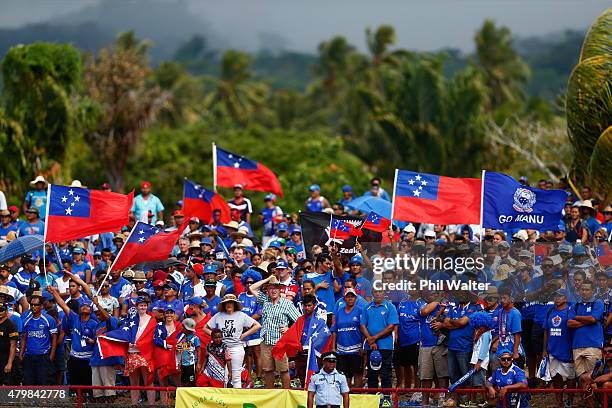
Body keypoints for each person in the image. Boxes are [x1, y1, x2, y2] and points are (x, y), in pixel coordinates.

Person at [249, 275, 301, 388]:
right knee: (268, 370)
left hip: (280, 342)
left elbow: (300, 321)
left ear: (280, 289)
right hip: (266, 341)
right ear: (267, 290)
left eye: (276, 288)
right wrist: (268, 279)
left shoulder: (286, 304)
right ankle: (270, 393)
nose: (273, 290)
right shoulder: (265, 301)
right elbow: (252, 288)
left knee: (283, 370)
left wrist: (289, 330)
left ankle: (286, 393)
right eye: (270, 288)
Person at [205, 294, 261, 388]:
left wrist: (244, 335)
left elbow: (257, 325)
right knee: (223, 375)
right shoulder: (218, 316)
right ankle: (225, 399)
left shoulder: (241, 315)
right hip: (222, 348)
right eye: (226, 303)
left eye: (231, 302)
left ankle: (236, 398)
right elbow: (205, 328)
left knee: (236, 375)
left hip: (236, 347)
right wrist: (216, 337)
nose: (228, 305)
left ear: (235, 304)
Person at [568, 280, 605, 404]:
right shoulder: (575, 305)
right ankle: (589, 405)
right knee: (582, 380)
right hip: (577, 346)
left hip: (593, 345)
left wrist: (577, 317)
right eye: (582, 289)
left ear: (593, 291)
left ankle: (597, 405)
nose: (584, 292)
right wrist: (587, 320)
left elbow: (593, 319)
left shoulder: (598, 302)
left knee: (592, 379)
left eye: (587, 289)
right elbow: (569, 323)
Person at [360, 287, 398, 391]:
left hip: (386, 346)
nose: (377, 294)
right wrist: (370, 340)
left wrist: (374, 338)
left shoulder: (390, 307)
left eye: (380, 291)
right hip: (370, 346)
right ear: (372, 293)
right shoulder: (366, 308)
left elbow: (391, 327)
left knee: (386, 373)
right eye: (375, 292)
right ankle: (372, 400)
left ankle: (386, 398)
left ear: (384, 293)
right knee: (372, 374)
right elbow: (362, 325)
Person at [543, 289, 575, 408]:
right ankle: (559, 403)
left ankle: (570, 402)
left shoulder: (570, 311)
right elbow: (546, 331)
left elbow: (573, 330)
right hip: (552, 350)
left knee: (571, 377)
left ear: (566, 298)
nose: (557, 298)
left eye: (560, 296)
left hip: (566, 350)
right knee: (556, 377)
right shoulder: (550, 311)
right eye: (555, 296)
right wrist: (544, 350)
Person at [20, 291, 57, 385]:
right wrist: (21, 354)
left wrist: (51, 355)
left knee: (43, 382)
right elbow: (24, 338)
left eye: (36, 305)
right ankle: (31, 400)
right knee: (28, 382)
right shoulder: (26, 320)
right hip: (29, 355)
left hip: (43, 356)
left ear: (41, 306)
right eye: (31, 304)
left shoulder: (49, 320)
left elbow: (54, 338)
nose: (33, 307)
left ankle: (43, 400)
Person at [331, 288, 363, 388]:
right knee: (345, 374)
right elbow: (334, 330)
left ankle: (358, 396)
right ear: (344, 298)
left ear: (356, 298)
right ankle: (346, 395)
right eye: (348, 296)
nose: (350, 298)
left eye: (352, 296)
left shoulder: (360, 311)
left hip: (356, 348)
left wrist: (363, 346)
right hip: (341, 348)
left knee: (357, 373)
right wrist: (333, 347)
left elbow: (363, 329)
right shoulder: (339, 312)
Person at [153, 308, 182, 404]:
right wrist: (166, 345)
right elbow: (156, 339)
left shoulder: (179, 326)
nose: (169, 315)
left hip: (175, 354)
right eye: (167, 313)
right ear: (164, 314)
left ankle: (180, 403)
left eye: (171, 313)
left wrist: (175, 346)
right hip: (161, 355)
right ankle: (164, 404)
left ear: (174, 314)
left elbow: (183, 338)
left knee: (178, 381)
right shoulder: (159, 325)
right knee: (162, 381)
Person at [176, 317, 202, 387]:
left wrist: (199, 363)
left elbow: (199, 350)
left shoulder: (195, 338)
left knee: (191, 382)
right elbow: (179, 349)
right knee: (184, 381)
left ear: (186, 328)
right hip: (183, 363)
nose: (182, 328)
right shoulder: (182, 338)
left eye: (183, 327)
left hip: (192, 363)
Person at [0, 301, 18, 385]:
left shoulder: (11, 325)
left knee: (7, 386)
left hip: (5, 359)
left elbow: (13, 345)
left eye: (1, 310)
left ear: (6, 312)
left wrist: (9, 363)